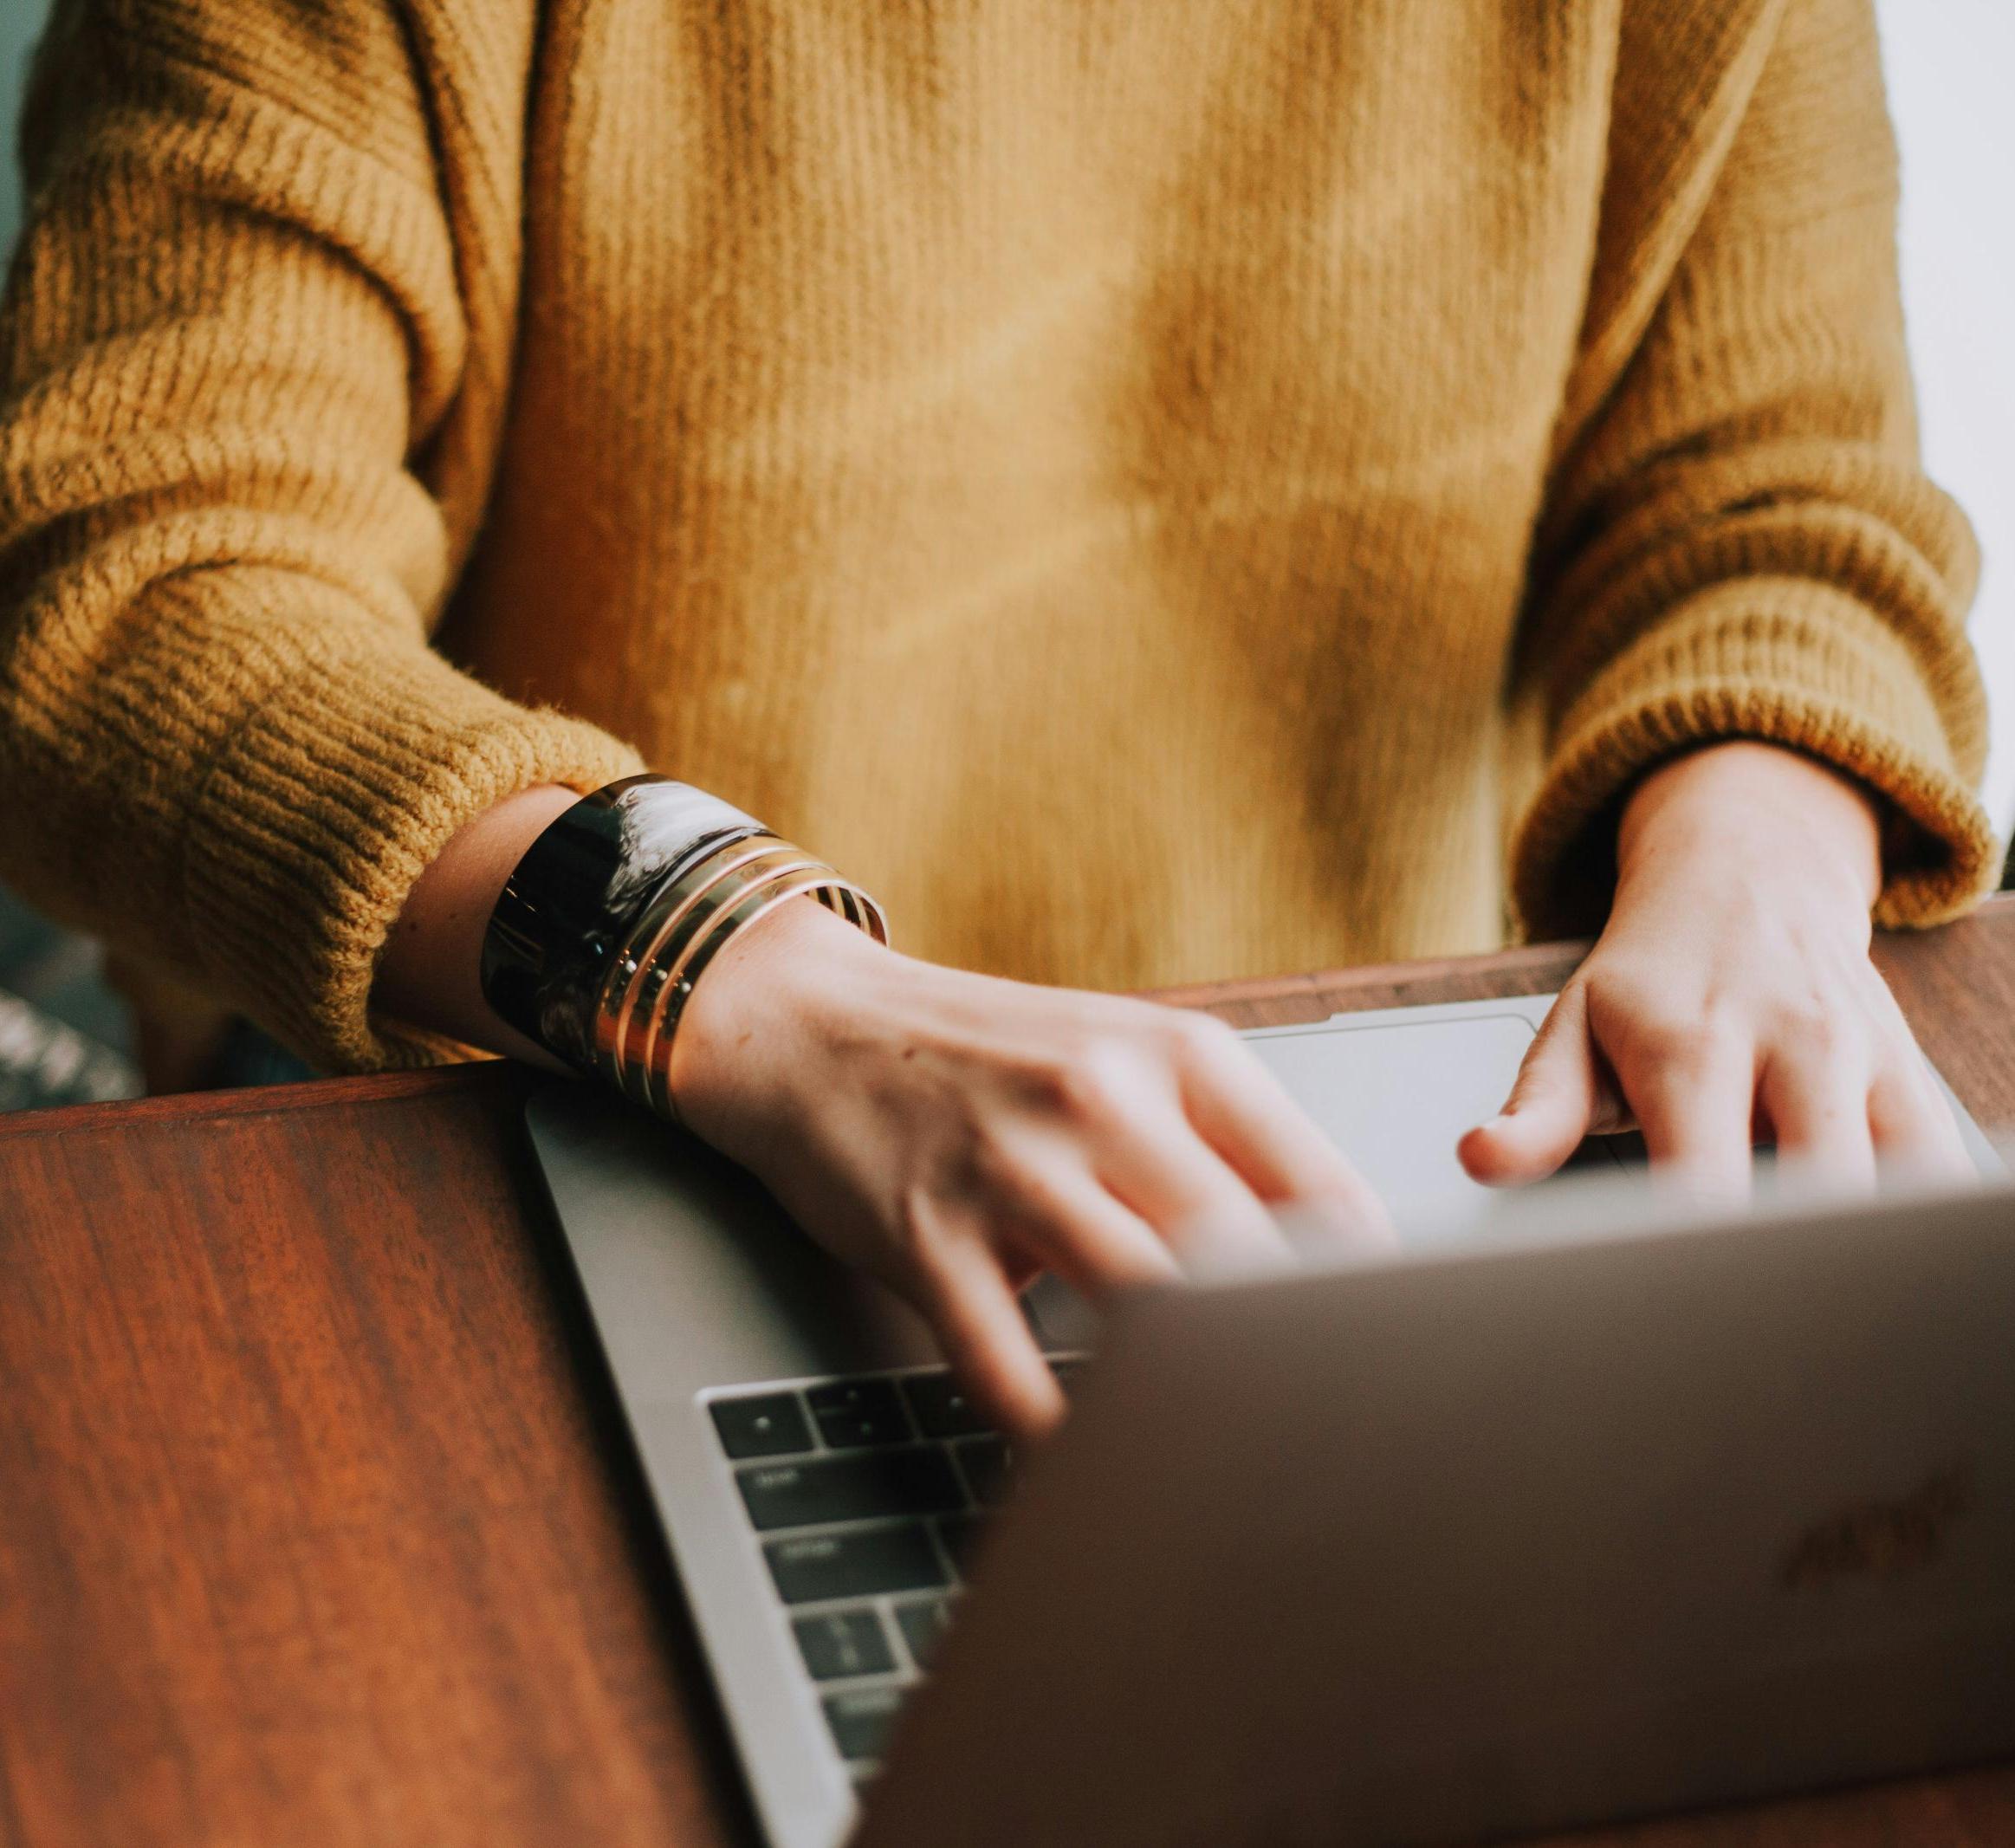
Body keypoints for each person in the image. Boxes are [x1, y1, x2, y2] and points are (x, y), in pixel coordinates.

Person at [0, 0, 1996, 1437]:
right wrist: (753, 982)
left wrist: (1763, 857)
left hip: (1367, 1169)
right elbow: (127, 585)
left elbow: (1775, 504)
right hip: (594, 1120)